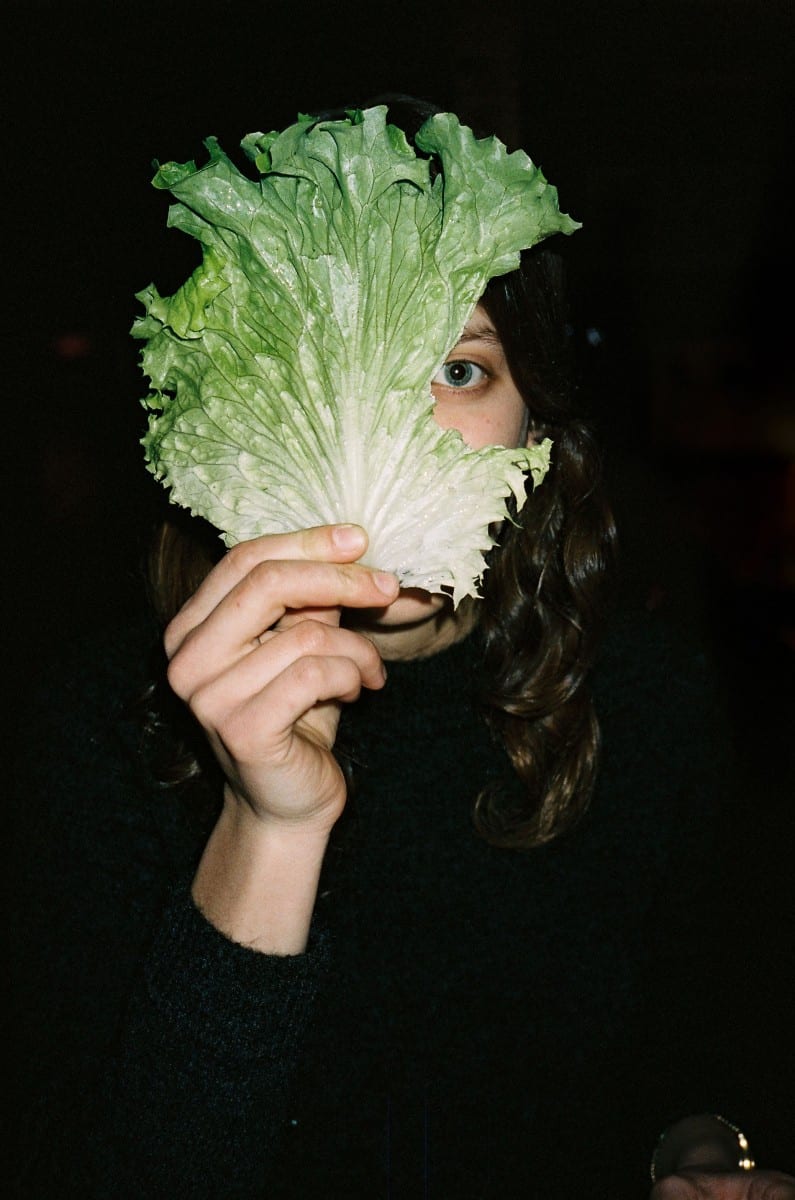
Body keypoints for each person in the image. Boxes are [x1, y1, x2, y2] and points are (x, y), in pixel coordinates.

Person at [10, 96, 794, 1199]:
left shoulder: (651, 703)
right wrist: (269, 828)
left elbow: (697, 1037)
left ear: (538, 420)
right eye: (327, 369)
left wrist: (702, 1147)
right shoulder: (92, 727)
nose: (395, 427)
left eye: (460, 369)